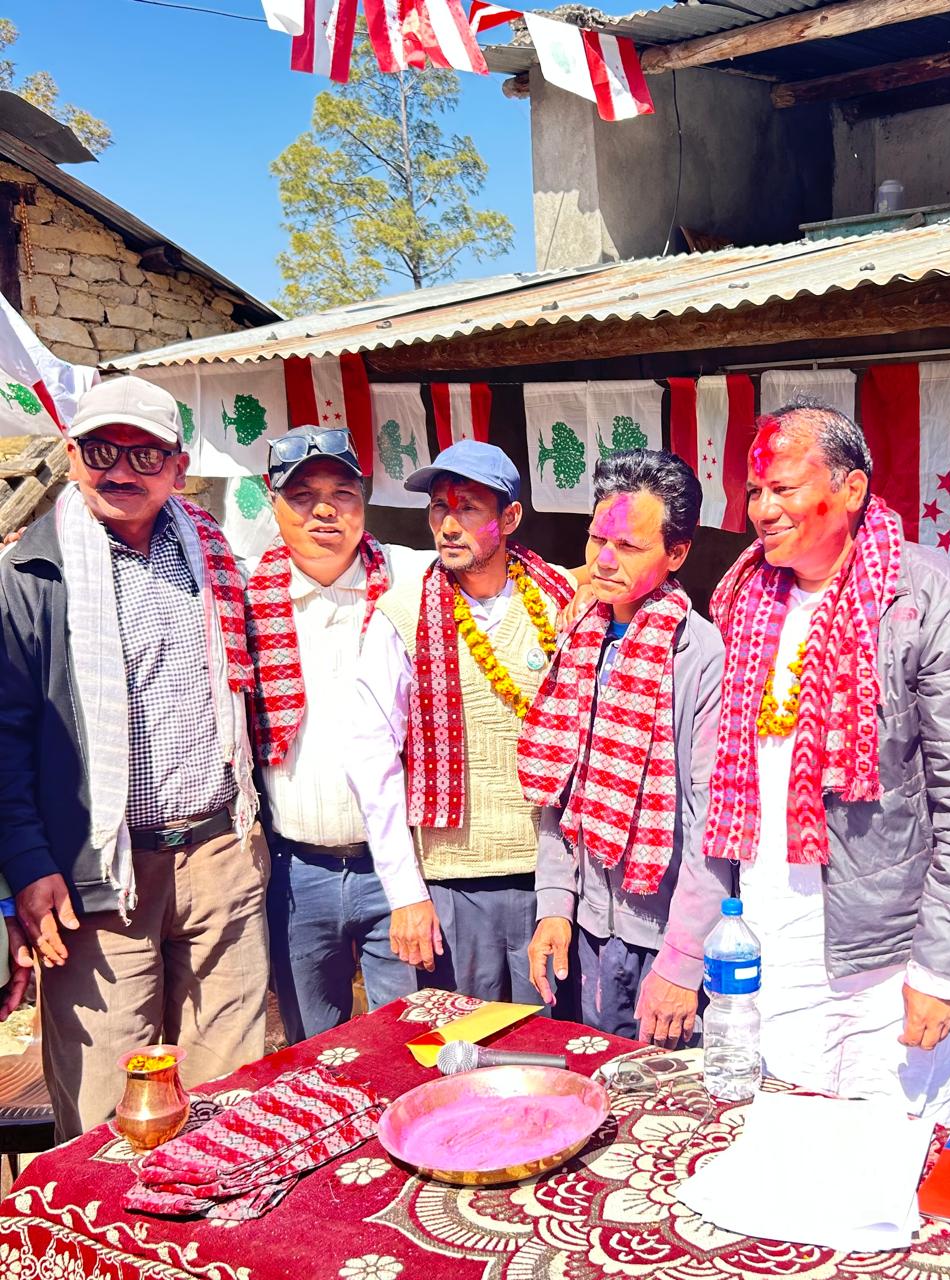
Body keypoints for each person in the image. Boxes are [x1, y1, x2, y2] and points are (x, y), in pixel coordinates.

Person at [700, 398, 950, 1124]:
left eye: (784, 488)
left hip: (888, 956)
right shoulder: (745, 599)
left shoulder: (942, 603)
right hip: (766, 931)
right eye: (754, 491)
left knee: (893, 1149)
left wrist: (942, 970)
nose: (762, 510)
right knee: (779, 1128)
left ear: (851, 488)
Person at [0, 375, 267, 1139]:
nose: (121, 470)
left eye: (144, 455)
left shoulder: (213, 556)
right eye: (101, 451)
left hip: (220, 857)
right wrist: (28, 865)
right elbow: (4, 734)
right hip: (96, 877)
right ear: (72, 454)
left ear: (178, 468)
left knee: (229, 1097)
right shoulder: (30, 576)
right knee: (105, 1111)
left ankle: (217, 1218)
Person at [346, 440, 577, 1003]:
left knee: (550, 1039)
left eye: (468, 508)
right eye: (438, 508)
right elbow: (370, 758)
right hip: (450, 886)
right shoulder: (401, 615)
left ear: (510, 518)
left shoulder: (563, 602)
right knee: (461, 1039)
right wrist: (406, 893)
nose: (448, 525)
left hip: (554, 881)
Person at [518, 450, 731, 1045]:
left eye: (629, 546)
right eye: (597, 540)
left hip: (664, 938)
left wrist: (684, 959)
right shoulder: (579, 636)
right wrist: (554, 903)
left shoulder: (700, 655)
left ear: (677, 553)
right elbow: (559, 787)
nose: (604, 561)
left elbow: (711, 822)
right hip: (587, 930)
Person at [248, 425, 431, 1043]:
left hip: (399, 868)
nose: (324, 511)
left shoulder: (411, 578)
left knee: (411, 1044)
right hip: (297, 872)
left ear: (364, 500)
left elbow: (512, 574)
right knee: (313, 1049)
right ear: (272, 500)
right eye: (302, 495)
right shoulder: (243, 594)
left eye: (342, 494)